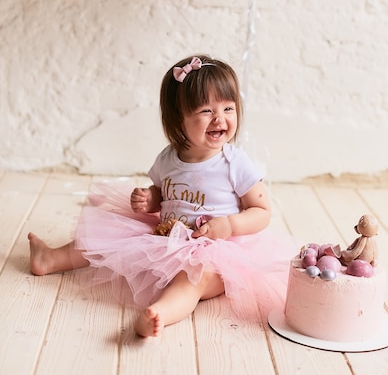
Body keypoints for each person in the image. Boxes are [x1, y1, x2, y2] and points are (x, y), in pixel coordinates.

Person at [28, 54, 295, 338]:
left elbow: (262, 211)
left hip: (217, 251)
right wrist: (149, 199)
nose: (220, 118)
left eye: (228, 108)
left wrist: (229, 225)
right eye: (206, 111)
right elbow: (163, 191)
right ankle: (52, 259)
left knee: (194, 280)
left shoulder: (235, 163)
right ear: (178, 119)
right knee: (105, 238)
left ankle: (159, 314)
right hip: (164, 239)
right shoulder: (169, 158)